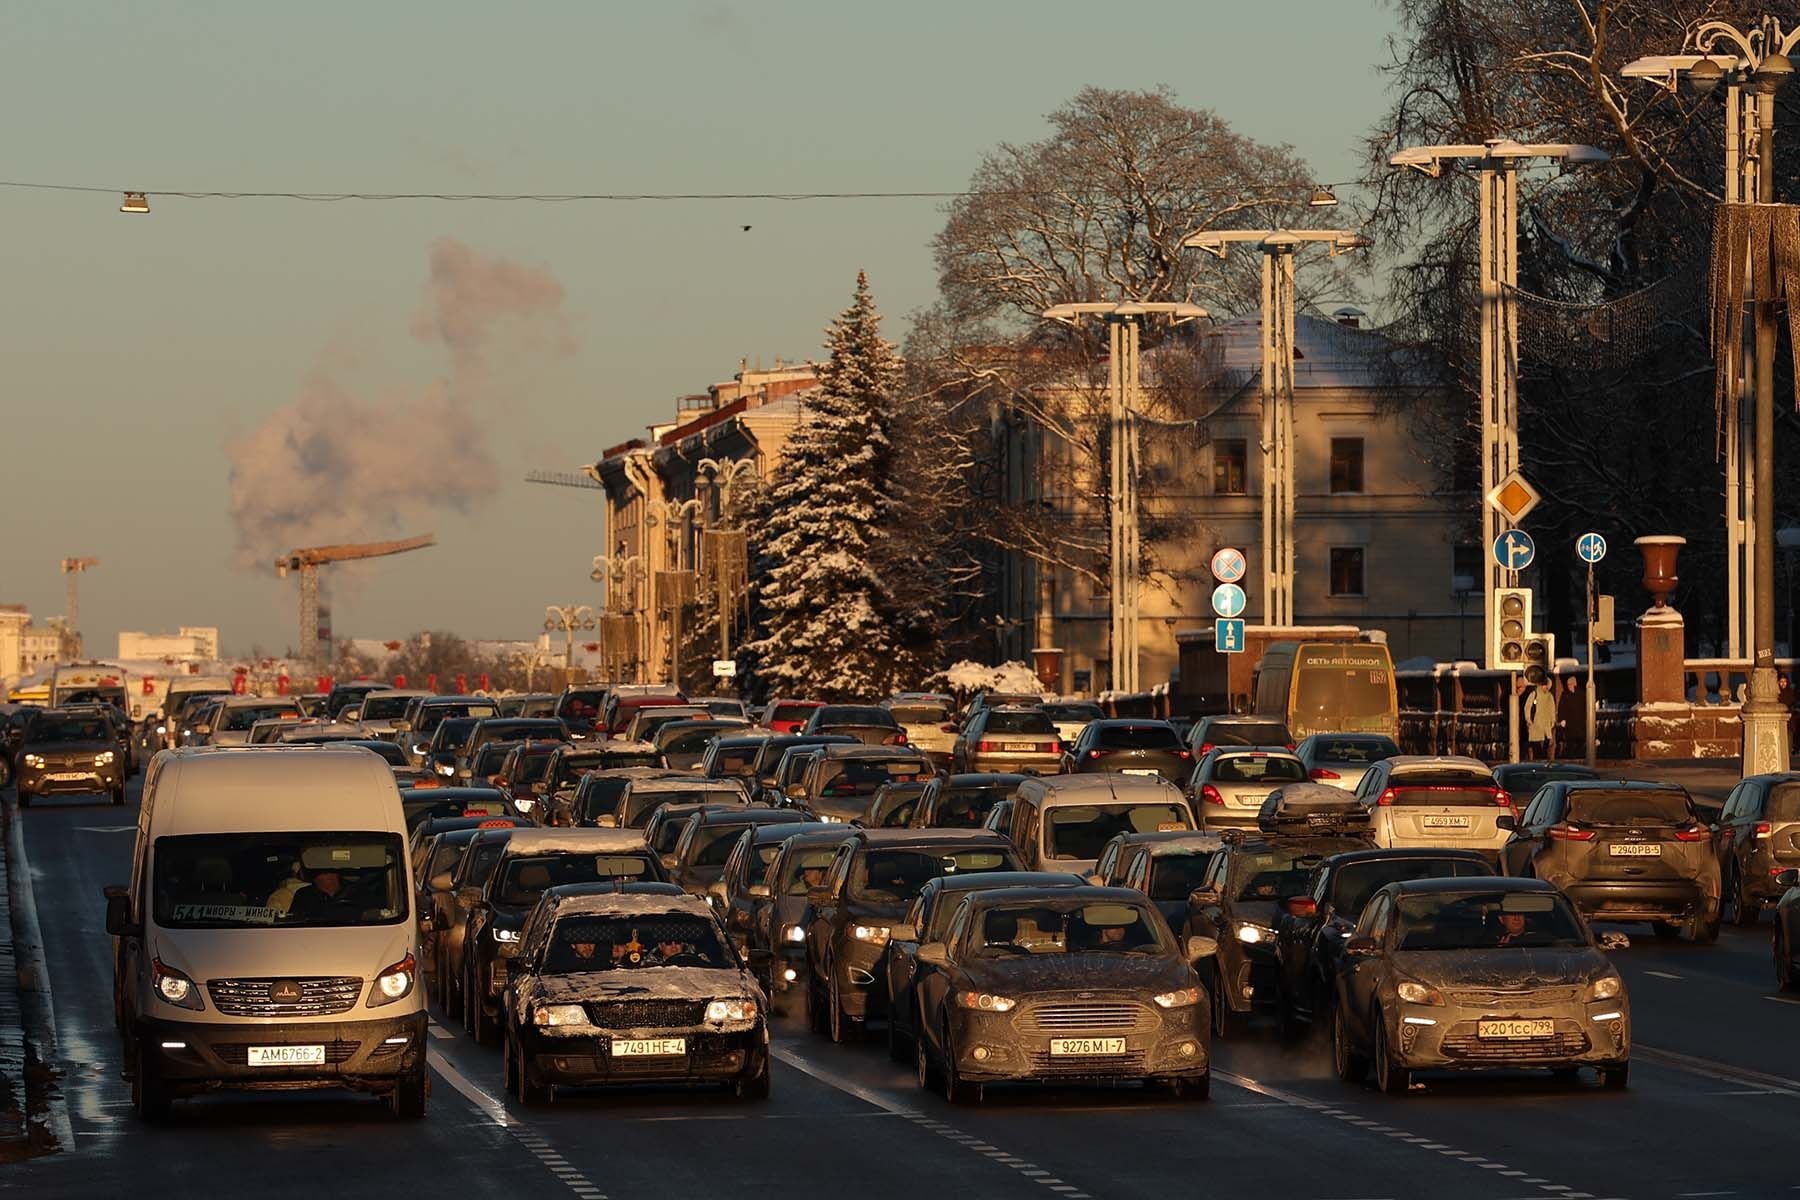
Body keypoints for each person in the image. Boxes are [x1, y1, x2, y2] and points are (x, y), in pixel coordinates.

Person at [1523, 680, 1556, 761]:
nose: (1546, 687)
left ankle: (1543, 766)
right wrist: (1529, 720)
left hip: (1546, 729)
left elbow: (1552, 710)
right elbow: (1527, 708)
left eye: (1547, 685)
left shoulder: (1550, 696)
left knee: (1545, 750)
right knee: (1536, 749)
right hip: (1536, 727)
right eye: (1544, 685)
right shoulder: (1534, 694)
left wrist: (1552, 722)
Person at [1555, 676, 1584, 760]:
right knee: (1570, 744)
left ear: (1575, 684)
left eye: (1570, 684)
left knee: (1580, 743)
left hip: (1580, 724)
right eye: (1568, 684)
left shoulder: (1581, 694)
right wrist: (1562, 719)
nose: (1568, 686)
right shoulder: (1565, 695)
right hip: (1570, 725)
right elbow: (1561, 708)